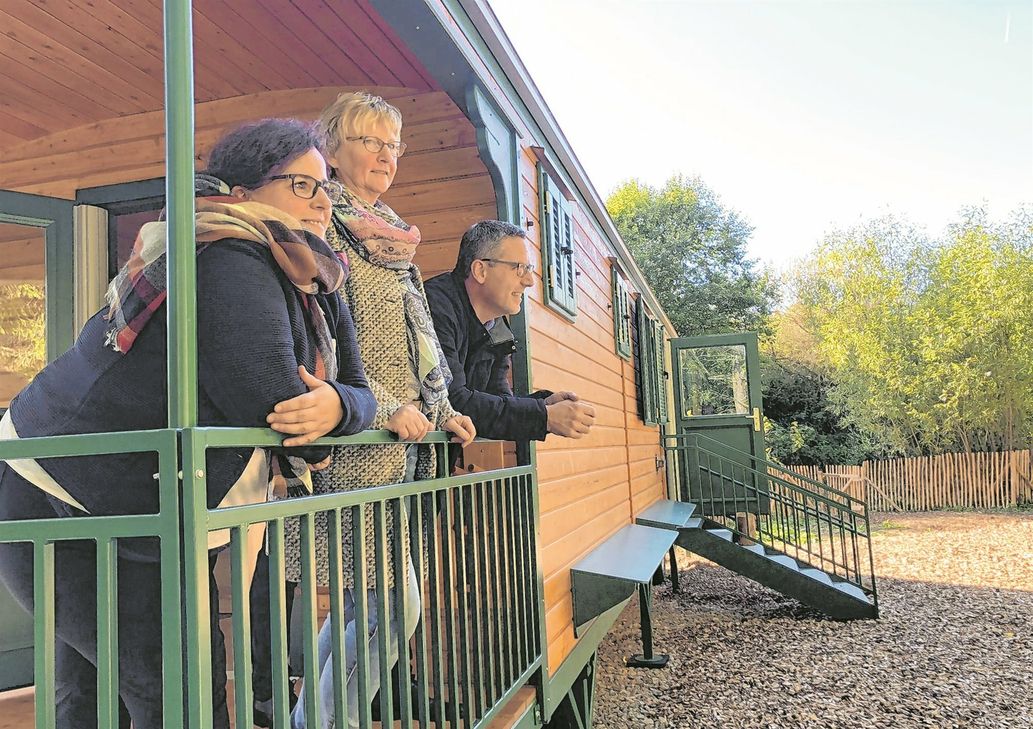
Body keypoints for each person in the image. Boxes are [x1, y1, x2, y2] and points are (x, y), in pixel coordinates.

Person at [0, 118, 376, 729]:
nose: (323, 200)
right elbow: (273, 402)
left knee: (121, 689)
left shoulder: (311, 273)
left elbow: (354, 388)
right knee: (174, 691)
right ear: (241, 190)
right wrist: (334, 417)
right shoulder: (226, 253)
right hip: (62, 492)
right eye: (303, 185)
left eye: (326, 186)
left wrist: (342, 407)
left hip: (141, 498)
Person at [276, 91, 475, 729]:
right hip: (356, 441)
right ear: (331, 148)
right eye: (370, 141)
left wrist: (439, 406)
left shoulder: (390, 231)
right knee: (392, 606)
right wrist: (383, 405)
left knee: (369, 605)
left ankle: (311, 721)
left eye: (394, 145)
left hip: (397, 447)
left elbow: (407, 334)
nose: (386, 155)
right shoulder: (324, 223)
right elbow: (315, 329)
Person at [423, 220, 596, 448]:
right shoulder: (434, 307)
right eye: (519, 268)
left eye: (529, 270)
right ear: (480, 270)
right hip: (400, 464)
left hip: (437, 466)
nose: (529, 281)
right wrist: (543, 417)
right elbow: (452, 401)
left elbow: (498, 401)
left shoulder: (499, 329)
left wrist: (544, 404)